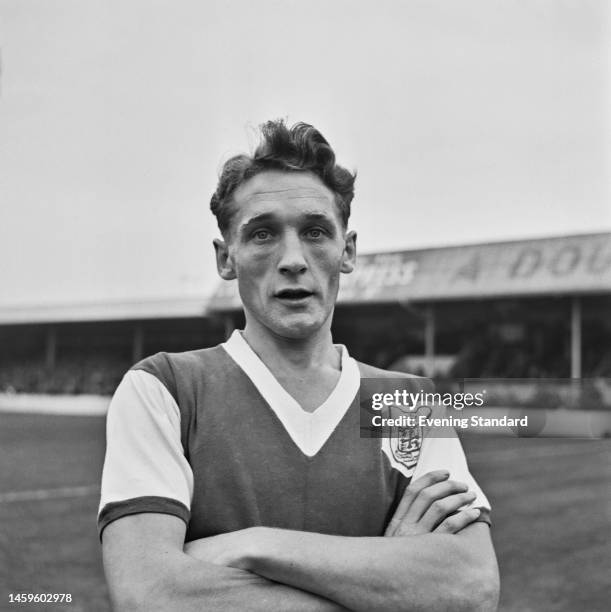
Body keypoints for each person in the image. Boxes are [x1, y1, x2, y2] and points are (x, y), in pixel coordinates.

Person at [98, 120, 500, 611]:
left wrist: (251, 546)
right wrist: (389, 581)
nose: (293, 259)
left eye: (314, 232)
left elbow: (471, 590)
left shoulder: (409, 403)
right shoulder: (163, 389)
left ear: (346, 251)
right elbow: (150, 596)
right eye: (263, 234)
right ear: (227, 258)